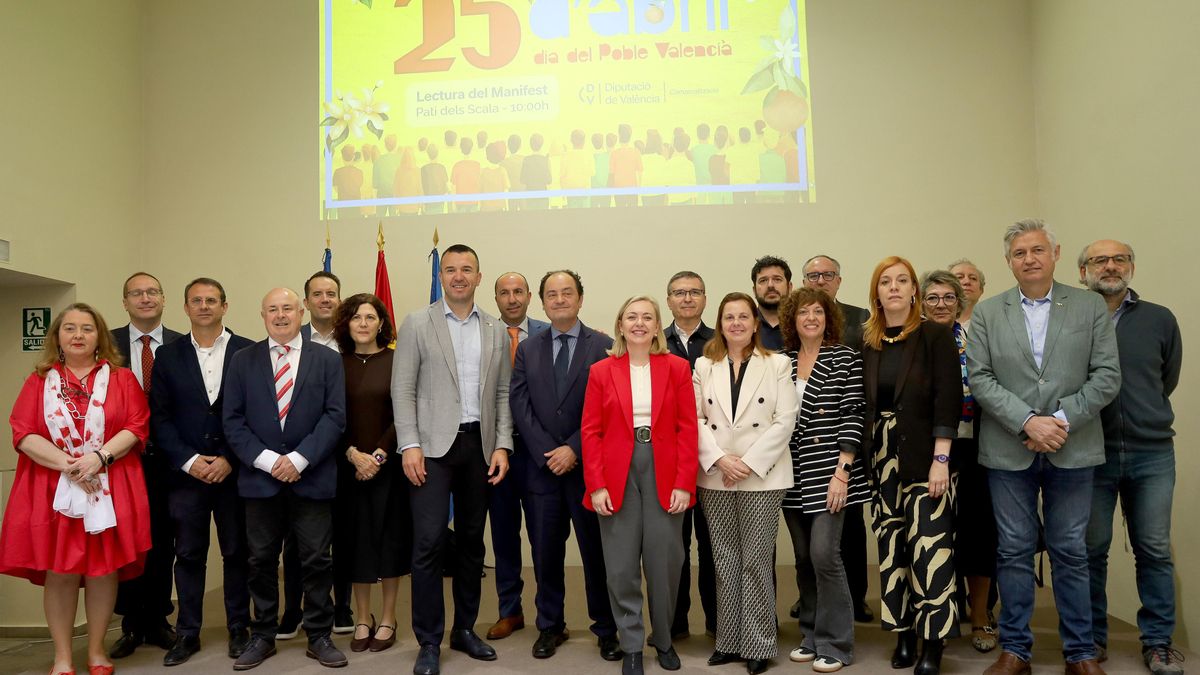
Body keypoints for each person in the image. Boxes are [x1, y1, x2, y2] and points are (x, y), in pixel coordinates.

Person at [966, 219, 1120, 675]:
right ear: (1008, 261)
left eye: (1037, 250)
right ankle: (1016, 650)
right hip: (1008, 449)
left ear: (1056, 254)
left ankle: (1080, 652)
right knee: (1013, 549)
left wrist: (1060, 421)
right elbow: (981, 379)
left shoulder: (1089, 306)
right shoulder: (988, 313)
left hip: (1074, 446)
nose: (1029, 259)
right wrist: (1028, 421)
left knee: (1071, 550)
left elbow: (1107, 375)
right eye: (1019, 253)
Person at [0, 304, 150, 675]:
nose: (78, 335)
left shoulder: (122, 379)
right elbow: (23, 432)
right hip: (54, 488)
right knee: (60, 571)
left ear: (100, 336)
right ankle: (63, 657)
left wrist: (98, 458)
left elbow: (136, 426)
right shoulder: (39, 381)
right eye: (70, 328)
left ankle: (96, 651)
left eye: (87, 328)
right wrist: (70, 465)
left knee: (102, 570)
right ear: (57, 336)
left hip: (108, 483)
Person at [391, 244, 513, 675]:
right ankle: (429, 640)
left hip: (479, 447)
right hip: (431, 450)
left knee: (472, 543)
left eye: (467, 269)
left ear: (479, 277)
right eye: (450, 269)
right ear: (441, 276)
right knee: (428, 543)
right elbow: (402, 388)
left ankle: (464, 629)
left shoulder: (495, 328)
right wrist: (409, 444)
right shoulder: (417, 322)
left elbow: (502, 393)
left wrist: (502, 444)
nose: (458, 276)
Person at [223, 287, 348, 670]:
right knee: (260, 560)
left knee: (316, 560)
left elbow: (335, 416)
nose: (280, 315)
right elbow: (233, 421)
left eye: (288, 308)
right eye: (273, 309)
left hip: (311, 476)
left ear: (301, 312)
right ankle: (262, 634)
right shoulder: (242, 360)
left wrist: (298, 459)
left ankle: (319, 634)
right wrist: (268, 461)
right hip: (260, 481)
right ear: (263, 315)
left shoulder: (327, 359)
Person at [1078, 240, 1183, 675]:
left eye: (1119, 259)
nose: (1110, 266)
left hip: (1152, 452)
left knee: (1154, 549)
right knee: (1090, 549)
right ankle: (1091, 640)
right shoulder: (1072, 318)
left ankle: (1158, 643)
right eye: (1100, 260)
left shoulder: (1160, 319)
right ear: (1083, 270)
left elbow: (1166, 378)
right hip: (1091, 452)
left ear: (1131, 267)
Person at [582, 295, 698, 675]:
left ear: (656, 326)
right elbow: (590, 432)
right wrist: (596, 485)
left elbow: (687, 428)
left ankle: (662, 639)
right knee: (620, 565)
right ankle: (631, 644)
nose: (639, 323)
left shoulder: (677, 368)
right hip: (616, 472)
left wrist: (684, 483)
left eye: (647, 317)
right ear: (620, 325)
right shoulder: (601, 371)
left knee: (665, 561)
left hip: (665, 470)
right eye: (631, 317)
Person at [510, 270, 622, 661]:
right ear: (542, 302)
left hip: (590, 471)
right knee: (545, 554)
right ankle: (549, 626)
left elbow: (611, 408)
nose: (559, 299)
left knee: (597, 554)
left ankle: (606, 629)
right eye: (552, 294)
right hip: (542, 471)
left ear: (580, 298)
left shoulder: (604, 346)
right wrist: (549, 451)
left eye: (567, 293)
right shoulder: (528, 349)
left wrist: (573, 448)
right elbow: (520, 404)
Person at [861, 256, 962, 675]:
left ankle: (933, 644)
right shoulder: (868, 341)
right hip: (881, 459)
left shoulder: (934, 335)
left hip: (926, 456)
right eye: (886, 281)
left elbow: (948, 400)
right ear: (876, 293)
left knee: (930, 549)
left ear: (913, 290)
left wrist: (941, 460)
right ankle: (903, 635)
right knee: (892, 549)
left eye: (902, 280)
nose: (894, 287)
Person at [150, 278, 254, 665]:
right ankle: (188, 632)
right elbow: (159, 417)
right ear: (185, 307)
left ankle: (239, 627)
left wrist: (229, 457)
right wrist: (190, 460)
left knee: (237, 553)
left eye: (212, 300)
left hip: (234, 473)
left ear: (225, 306)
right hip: (185, 476)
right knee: (189, 554)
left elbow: (255, 413)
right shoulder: (167, 355)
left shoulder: (249, 351)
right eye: (197, 300)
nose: (204, 306)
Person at [693, 292, 798, 674]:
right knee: (724, 560)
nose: (736, 323)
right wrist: (720, 459)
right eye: (729, 317)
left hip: (762, 475)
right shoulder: (705, 365)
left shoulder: (777, 363)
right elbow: (694, 419)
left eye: (743, 317)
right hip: (716, 474)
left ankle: (758, 643)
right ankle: (728, 641)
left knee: (755, 560)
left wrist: (749, 463)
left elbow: (785, 419)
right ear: (720, 324)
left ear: (755, 323)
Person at [777, 287, 868, 674]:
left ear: (828, 318)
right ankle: (811, 634)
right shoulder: (781, 361)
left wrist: (842, 472)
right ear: (792, 320)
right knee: (802, 558)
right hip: (791, 472)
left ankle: (836, 642)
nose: (810, 318)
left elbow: (853, 413)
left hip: (831, 471)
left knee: (824, 555)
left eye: (817, 311)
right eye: (803, 312)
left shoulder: (844, 357)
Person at [919, 270, 998, 654]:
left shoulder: (977, 339)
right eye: (932, 298)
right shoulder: (913, 341)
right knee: (935, 536)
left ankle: (980, 614)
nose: (941, 305)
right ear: (921, 303)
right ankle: (938, 616)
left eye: (949, 298)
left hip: (977, 446)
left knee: (979, 532)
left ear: (960, 302)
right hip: (929, 449)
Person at [331, 294, 411, 654]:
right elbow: (329, 415)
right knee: (354, 544)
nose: (363, 323)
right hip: (347, 468)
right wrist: (352, 454)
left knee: (390, 543)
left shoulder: (397, 361)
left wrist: (378, 455)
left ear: (381, 323)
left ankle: (389, 617)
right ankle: (362, 617)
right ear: (346, 324)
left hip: (389, 466)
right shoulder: (334, 364)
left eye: (370, 317)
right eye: (355, 317)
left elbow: (405, 411)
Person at [109, 272, 182, 660]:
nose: (145, 298)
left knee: (163, 541)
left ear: (164, 299)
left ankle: (158, 619)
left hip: (169, 462)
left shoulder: (182, 345)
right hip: (121, 461)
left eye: (152, 291)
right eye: (136, 293)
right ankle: (131, 623)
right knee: (125, 540)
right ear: (125, 302)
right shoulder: (107, 345)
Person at [798, 254, 873, 625]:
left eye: (827, 274)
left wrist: (845, 464)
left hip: (841, 454)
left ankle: (851, 605)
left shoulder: (859, 323)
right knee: (808, 550)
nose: (820, 280)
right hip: (798, 464)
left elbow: (857, 400)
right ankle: (813, 611)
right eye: (813, 275)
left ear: (839, 280)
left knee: (844, 538)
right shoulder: (784, 354)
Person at [283, 270, 350, 639]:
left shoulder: (353, 338)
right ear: (305, 303)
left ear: (339, 299)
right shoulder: (292, 340)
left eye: (332, 293)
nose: (325, 299)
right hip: (302, 456)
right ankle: (293, 609)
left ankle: (342, 606)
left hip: (346, 453)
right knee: (297, 540)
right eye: (318, 294)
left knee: (342, 533)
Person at [485, 272, 549, 641]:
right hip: (496, 450)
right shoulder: (484, 334)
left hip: (538, 450)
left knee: (543, 535)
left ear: (529, 296)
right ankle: (510, 611)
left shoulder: (548, 333)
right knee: (504, 535)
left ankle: (548, 615)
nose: (512, 299)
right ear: (495, 298)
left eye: (518, 292)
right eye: (504, 292)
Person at [663, 270, 717, 638]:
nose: (687, 299)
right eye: (679, 293)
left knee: (714, 547)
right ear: (668, 300)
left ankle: (718, 621)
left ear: (704, 299)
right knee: (673, 547)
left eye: (694, 292)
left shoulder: (720, 341)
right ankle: (674, 623)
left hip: (713, 460)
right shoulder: (654, 341)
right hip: (669, 461)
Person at [751, 255, 793, 351]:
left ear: (789, 287)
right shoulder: (744, 326)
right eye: (763, 280)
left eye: (777, 279)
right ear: (754, 290)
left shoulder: (803, 324)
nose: (770, 285)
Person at [948, 258, 986, 332]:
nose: (967, 282)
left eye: (973, 278)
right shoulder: (935, 322)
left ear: (981, 290)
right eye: (959, 277)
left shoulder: (990, 323)